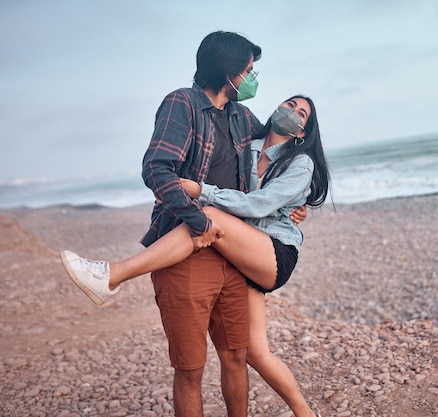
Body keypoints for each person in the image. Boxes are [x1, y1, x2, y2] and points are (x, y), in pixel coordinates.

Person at [61, 95, 330, 417]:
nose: (291, 113)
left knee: (208, 216)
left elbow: (259, 204)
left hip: (273, 253)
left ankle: (112, 274)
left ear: (302, 131)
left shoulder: (300, 162)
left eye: (301, 114)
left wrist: (201, 190)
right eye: (289, 104)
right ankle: (307, 413)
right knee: (255, 353)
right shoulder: (248, 144)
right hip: (241, 251)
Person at [65, 30, 264, 417]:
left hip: (235, 254)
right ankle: (111, 275)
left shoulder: (242, 116)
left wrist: (296, 202)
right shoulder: (182, 103)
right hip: (185, 251)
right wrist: (197, 221)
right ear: (229, 73)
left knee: (237, 357)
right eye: (249, 70)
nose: (254, 78)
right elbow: (156, 167)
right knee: (190, 369)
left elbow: (273, 154)